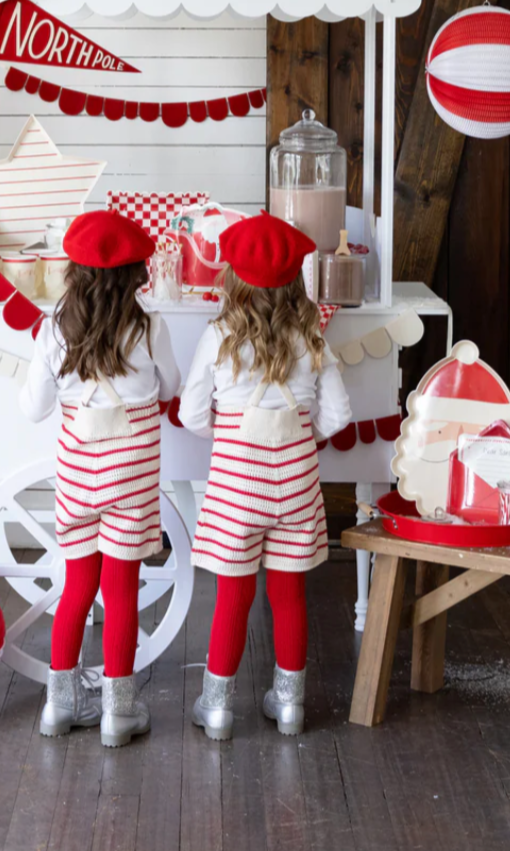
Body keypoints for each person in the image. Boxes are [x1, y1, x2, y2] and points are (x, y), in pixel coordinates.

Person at [179, 212, 352, 740]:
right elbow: (339, 416)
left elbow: (190, 414)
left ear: (232, 278)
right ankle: (291, 704)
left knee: (233, 596)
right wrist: (305, 431)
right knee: (288, 594)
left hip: (235, 486)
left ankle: (217, 708)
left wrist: (226, 436)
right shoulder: (312, 339)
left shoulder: (218, 336)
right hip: (296, 482)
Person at [20, 210, 180, 748]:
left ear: (74, 271)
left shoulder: (53, 329)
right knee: (122, 591)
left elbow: (33, 409)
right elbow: (170, 387)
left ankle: (58, 707)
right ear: (137, 273)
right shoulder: (149, 325)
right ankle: (119, 710)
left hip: (78, 479)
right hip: (131, 479)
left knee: (76, 590)